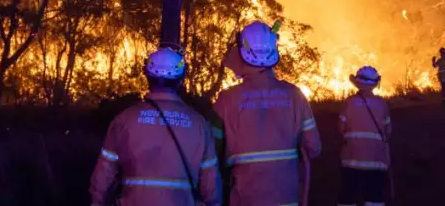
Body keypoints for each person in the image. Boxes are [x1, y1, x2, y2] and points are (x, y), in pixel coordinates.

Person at [89, 48, 222, 206]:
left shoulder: (124, 120)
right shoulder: (199, 125)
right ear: (181, 79)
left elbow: (103, 177)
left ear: (147, 76)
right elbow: (211, 186)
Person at [210, 20, 321, 206]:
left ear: (241, 51)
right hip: (287, 199)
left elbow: (211, 153)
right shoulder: (295, 95)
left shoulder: (226, 100)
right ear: (274, 50)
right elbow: (314, 147)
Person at [337, 65, 393, 206]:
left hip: (352, 159)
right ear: (375, 84)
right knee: (374, 197)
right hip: (376, 160)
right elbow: (388, 131)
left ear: (358, 83)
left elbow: (341, 128)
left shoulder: (349, 102)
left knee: (348, 196)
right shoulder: (382, 104)